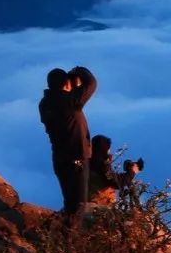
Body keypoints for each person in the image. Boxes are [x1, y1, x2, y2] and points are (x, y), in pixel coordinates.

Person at [38, 66, 97, 214]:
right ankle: (74, 235)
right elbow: (91, 83)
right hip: (76, 159)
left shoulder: (45, 103)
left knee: (70, 202)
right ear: (66, 84)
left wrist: (71, 82)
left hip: (60, 158)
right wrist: (77, 71)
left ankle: (66, 231)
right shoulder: (69, 102)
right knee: (80, 206)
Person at [87, 135, 141, 205]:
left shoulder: (88, 162)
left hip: (86, 203)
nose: (109, 151)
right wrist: (132, 171)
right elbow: (116, 182)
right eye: (108, 148)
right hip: (96, 205)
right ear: (104, 149)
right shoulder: (100, 164)